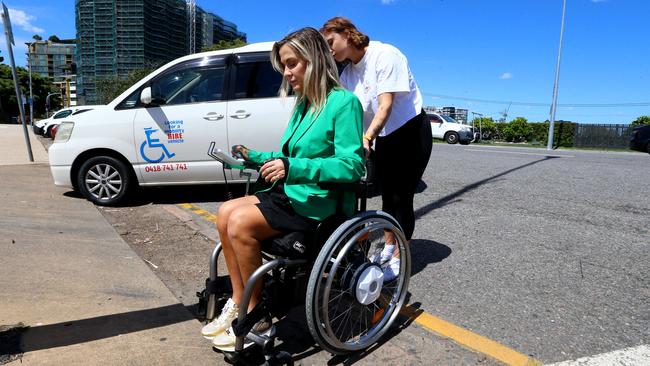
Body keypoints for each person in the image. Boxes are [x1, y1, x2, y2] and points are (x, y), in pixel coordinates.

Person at [201, 27, 365, 352]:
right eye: (285, 66)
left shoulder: (344, 103)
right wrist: (253, 158)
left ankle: (255, 315)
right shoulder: (305, 105)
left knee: (240, 224)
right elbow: (293, 157)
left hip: (319, 204)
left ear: (314, 60)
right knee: (224, 213)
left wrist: (293, 168)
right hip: (295, 194)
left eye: (292, 64)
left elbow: (352, 165)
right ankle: (238, 300)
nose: (287, 73)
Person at [320, 17, 432, 281]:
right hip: (382, 137)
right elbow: (349, 114)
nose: (329, 50)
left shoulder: (385, 55)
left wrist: (367, 137)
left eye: (330, 42)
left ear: (347, 34)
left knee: (401, 197)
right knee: (386, 197)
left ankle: (398, 258)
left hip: (410, 131)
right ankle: (389, 244)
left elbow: (385, 105)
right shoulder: (347, 74)